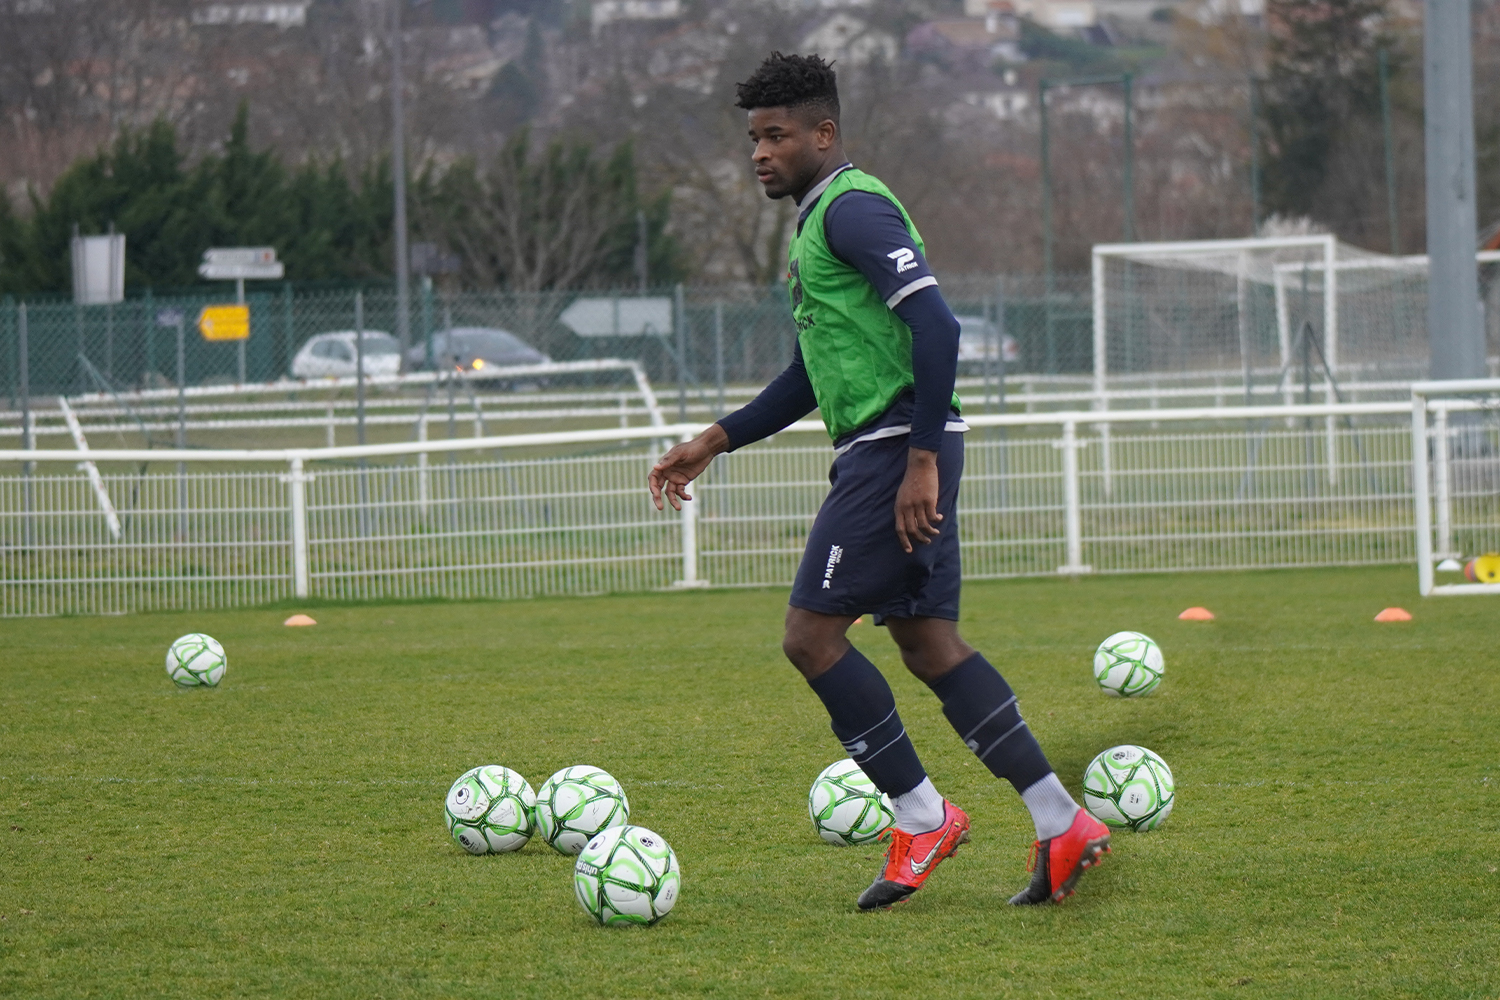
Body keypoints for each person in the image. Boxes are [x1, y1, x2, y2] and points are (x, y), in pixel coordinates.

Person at [647, 52, 1111, 910]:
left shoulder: (852, 210)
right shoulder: (820, 222)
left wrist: (920, 461)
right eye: (753, 138)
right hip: (902, 443)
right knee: (929, 644)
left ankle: (923, 815)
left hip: (897, 446)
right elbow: (809, 373)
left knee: (810, 637)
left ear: (823, 133)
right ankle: (1061, 821)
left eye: (777, 136)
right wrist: (714, 439)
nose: (760, 153)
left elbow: (938, 325)